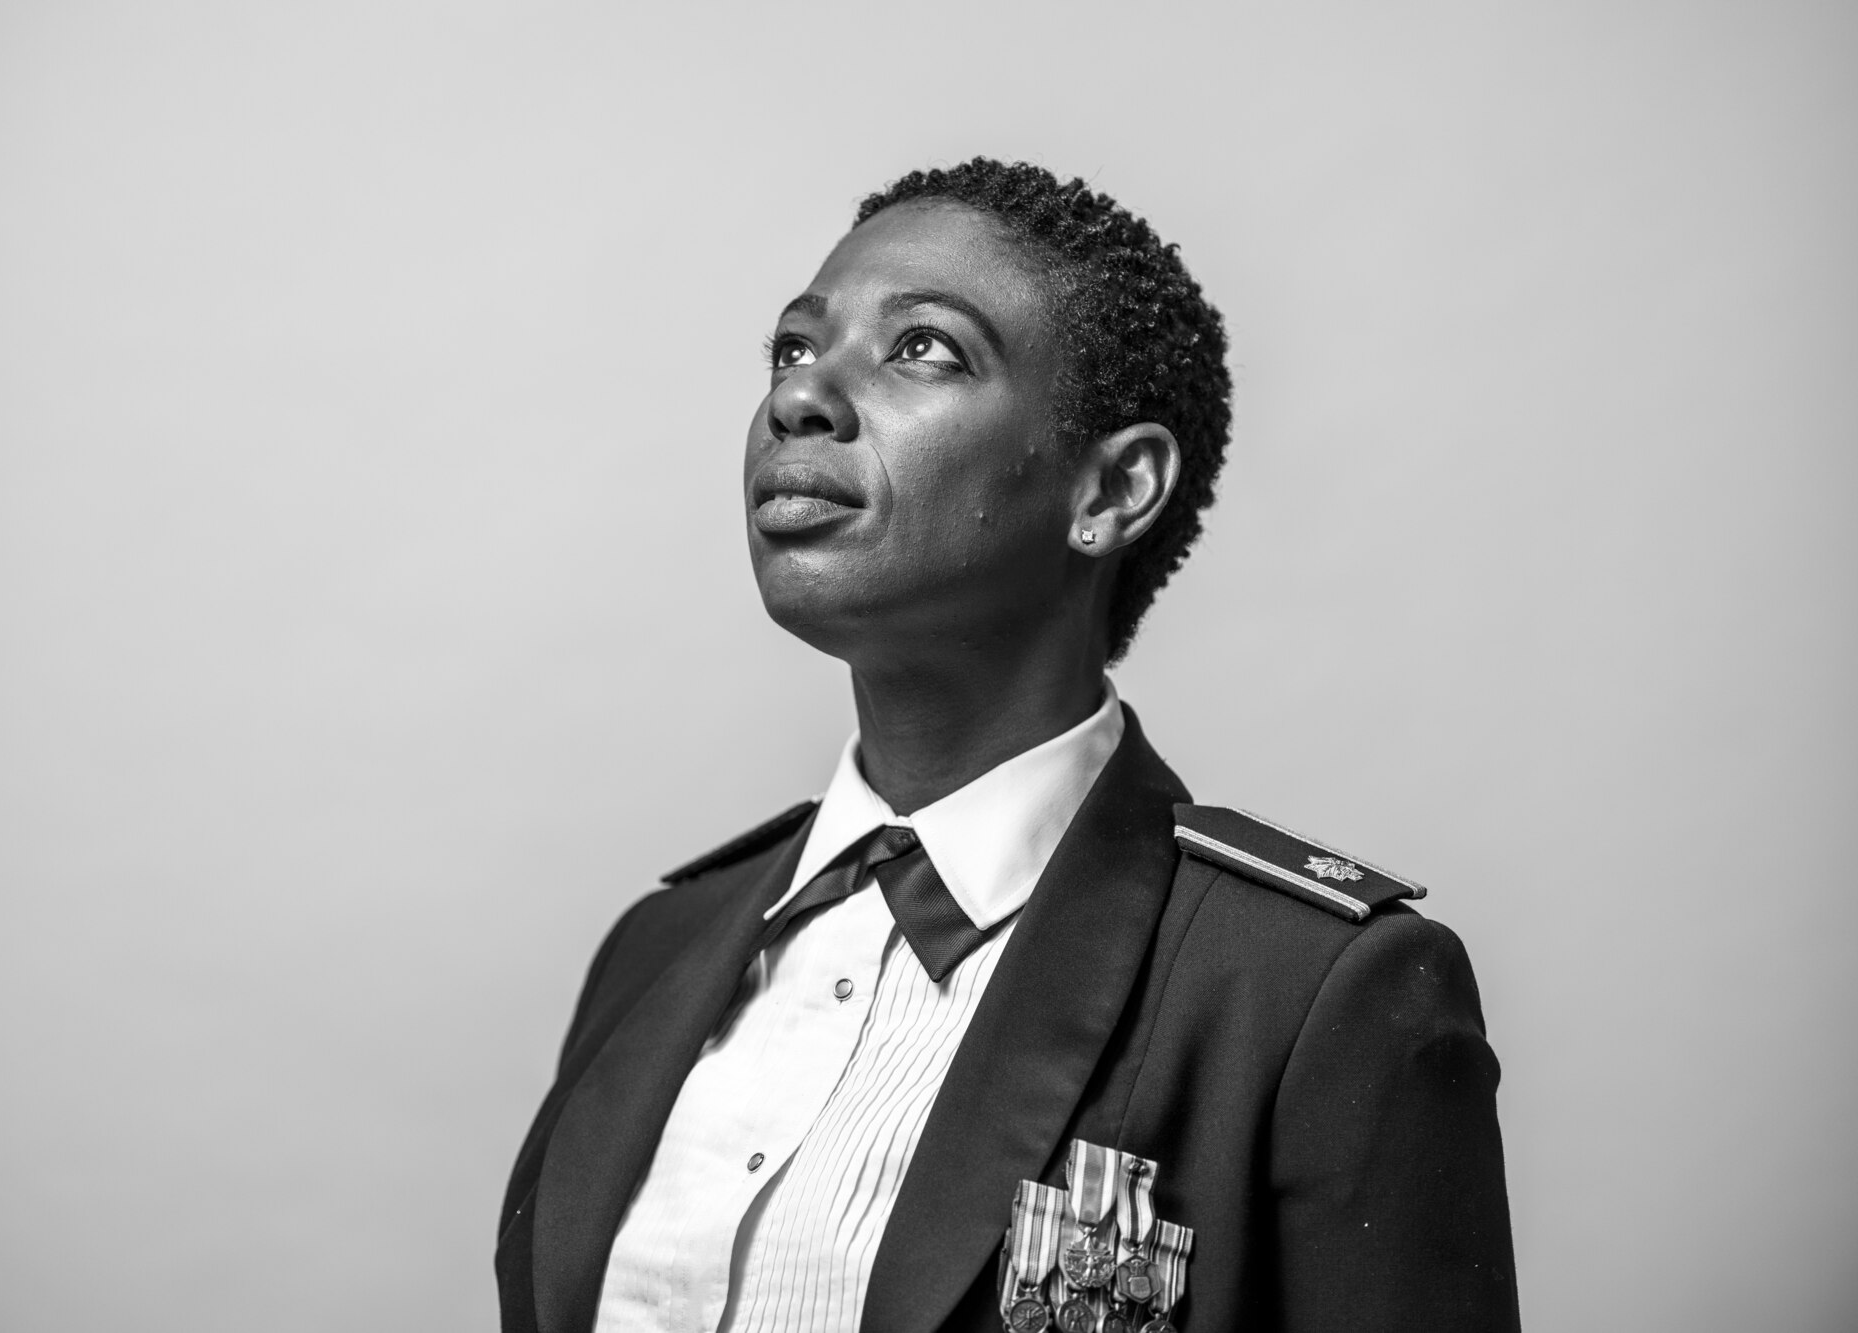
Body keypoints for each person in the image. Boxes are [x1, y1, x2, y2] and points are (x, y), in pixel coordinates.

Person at [496, 159, 1518, 1333]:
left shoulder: (1301, 993)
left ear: (1112, 487)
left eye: (923, 347)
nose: (800, 400)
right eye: (790, 349)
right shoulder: (656, 949)